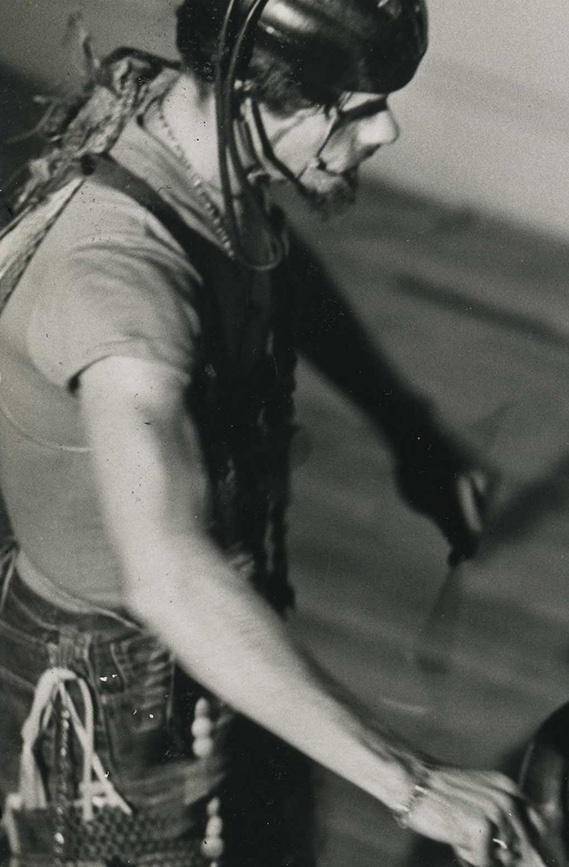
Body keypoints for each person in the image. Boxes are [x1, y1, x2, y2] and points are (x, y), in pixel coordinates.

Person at [0, 2, 525, 865]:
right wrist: (414, 782)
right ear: (247, 92)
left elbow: (262, 255)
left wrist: (404, 423)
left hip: (223, 632)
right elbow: (166, 575)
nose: (386, 129)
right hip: (113, 693)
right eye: (357, 110)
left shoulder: (191, 137)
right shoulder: (118, 286)